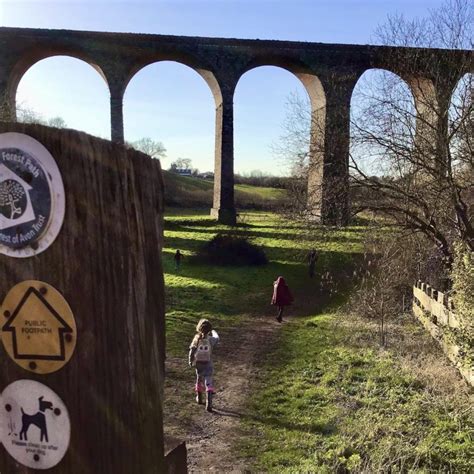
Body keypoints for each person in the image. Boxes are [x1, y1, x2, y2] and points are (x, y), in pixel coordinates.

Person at [188, 319, 220, 412]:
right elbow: (217, 338)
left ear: (199, 328)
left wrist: (190, 361)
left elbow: (192, 350)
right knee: (208, 381)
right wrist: (214, 332)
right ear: (209, 330)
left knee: (199, 379)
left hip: (198, 364)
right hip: (208, 363)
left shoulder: (196, 338)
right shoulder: (210, 339)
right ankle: (209, 402)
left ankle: (199, 398)